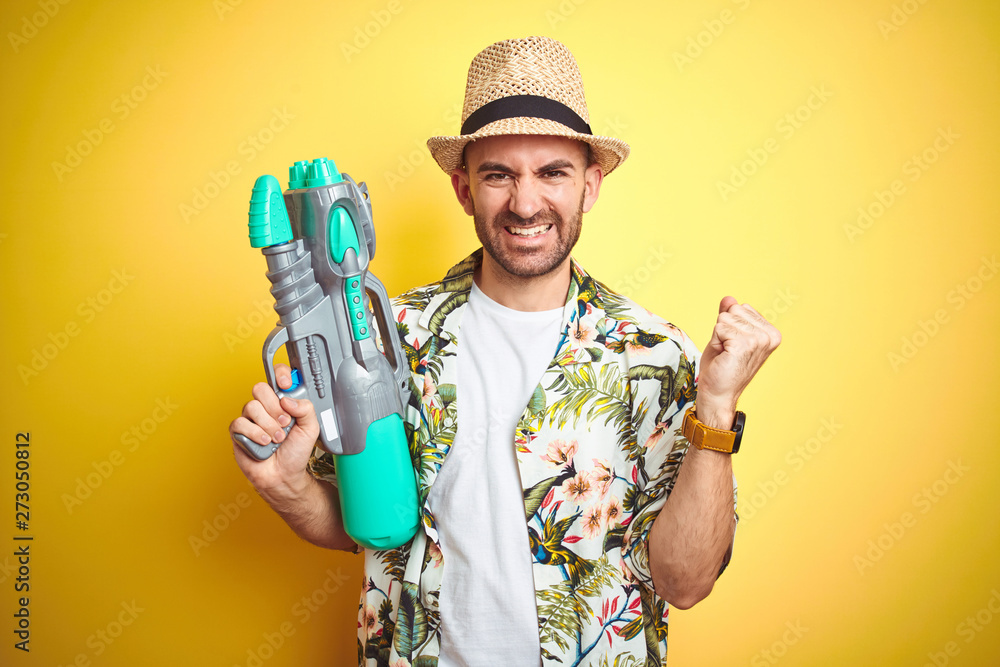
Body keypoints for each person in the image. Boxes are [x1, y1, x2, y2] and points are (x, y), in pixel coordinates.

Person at [230, 35, 781, 666]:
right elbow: (366, 524)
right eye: (498, 175)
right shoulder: (388, 336)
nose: (525, 203)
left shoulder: (655, 354)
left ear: (590, 186)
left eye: (553, 172)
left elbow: (685, 584)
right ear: (464, 189)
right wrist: (285, 485)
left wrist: (717, 406)